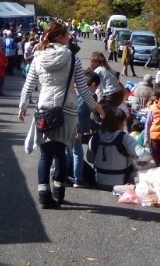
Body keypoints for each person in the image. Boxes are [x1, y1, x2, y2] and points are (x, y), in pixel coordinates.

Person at [19, 22, 104, 208]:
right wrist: (96, 107)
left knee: (45, 154)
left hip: (45, 109)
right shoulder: (72, 58)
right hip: (67, 111)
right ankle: (59, 193)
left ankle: (43, 195)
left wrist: (23, 106)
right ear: (59, 37)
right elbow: (82, 88)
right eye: (66, 35)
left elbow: (29, 83)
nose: (69, 38)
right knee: (61, 153)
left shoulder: (38, 57)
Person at [87, 107, 146, 190]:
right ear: (119, 123)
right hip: (122, 182)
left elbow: (90, 159)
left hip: (100, 182)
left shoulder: (95, 137)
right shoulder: (124, 137)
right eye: (124, 122)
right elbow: (141, 153)